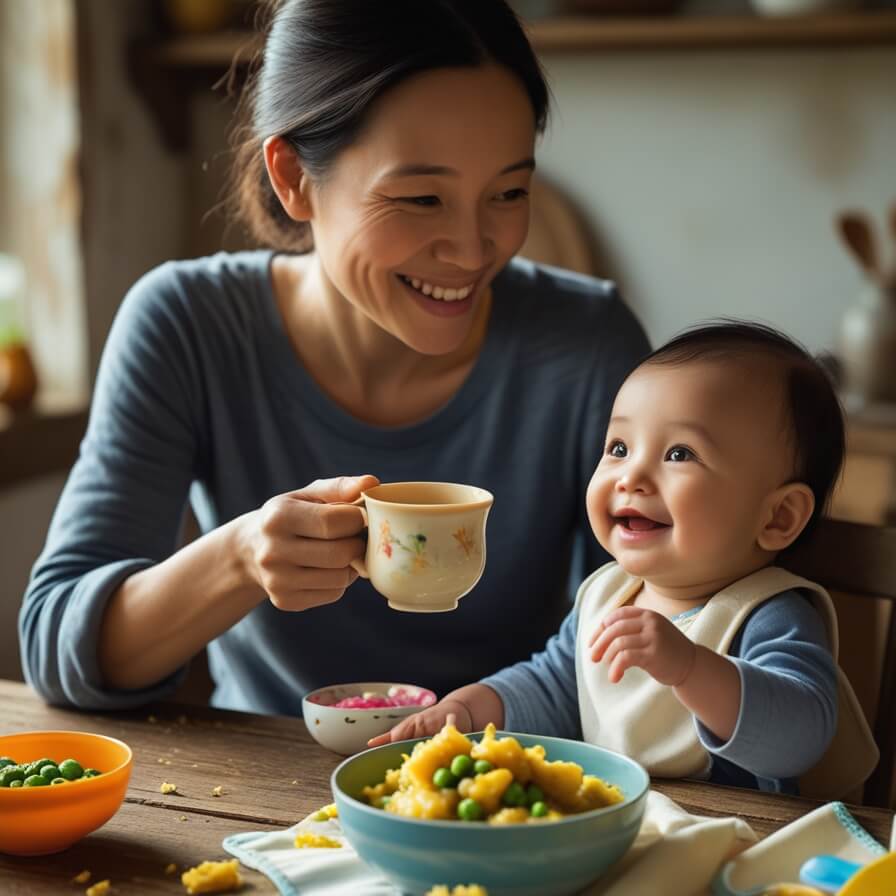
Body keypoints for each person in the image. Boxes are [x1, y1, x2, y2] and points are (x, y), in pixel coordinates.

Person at [18, 0, 648, 714]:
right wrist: (241, 558)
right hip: (251, 804)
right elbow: (57, 646)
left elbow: (655, 631)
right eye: (420, 199)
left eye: (508, 191)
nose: (473, 251)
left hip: (508, 791)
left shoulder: (590, 346)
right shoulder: (188, 325)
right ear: (292, 177)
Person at [372, 322, 879, 795]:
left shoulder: (768, 614)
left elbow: (799, 738)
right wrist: (467, 709)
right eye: (618, 446)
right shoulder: (606, 594)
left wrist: (690, 667)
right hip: (615, 828)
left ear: (777, 518)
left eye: (680, 454)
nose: (630, 476)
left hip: (732, 840)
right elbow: (552, 686)